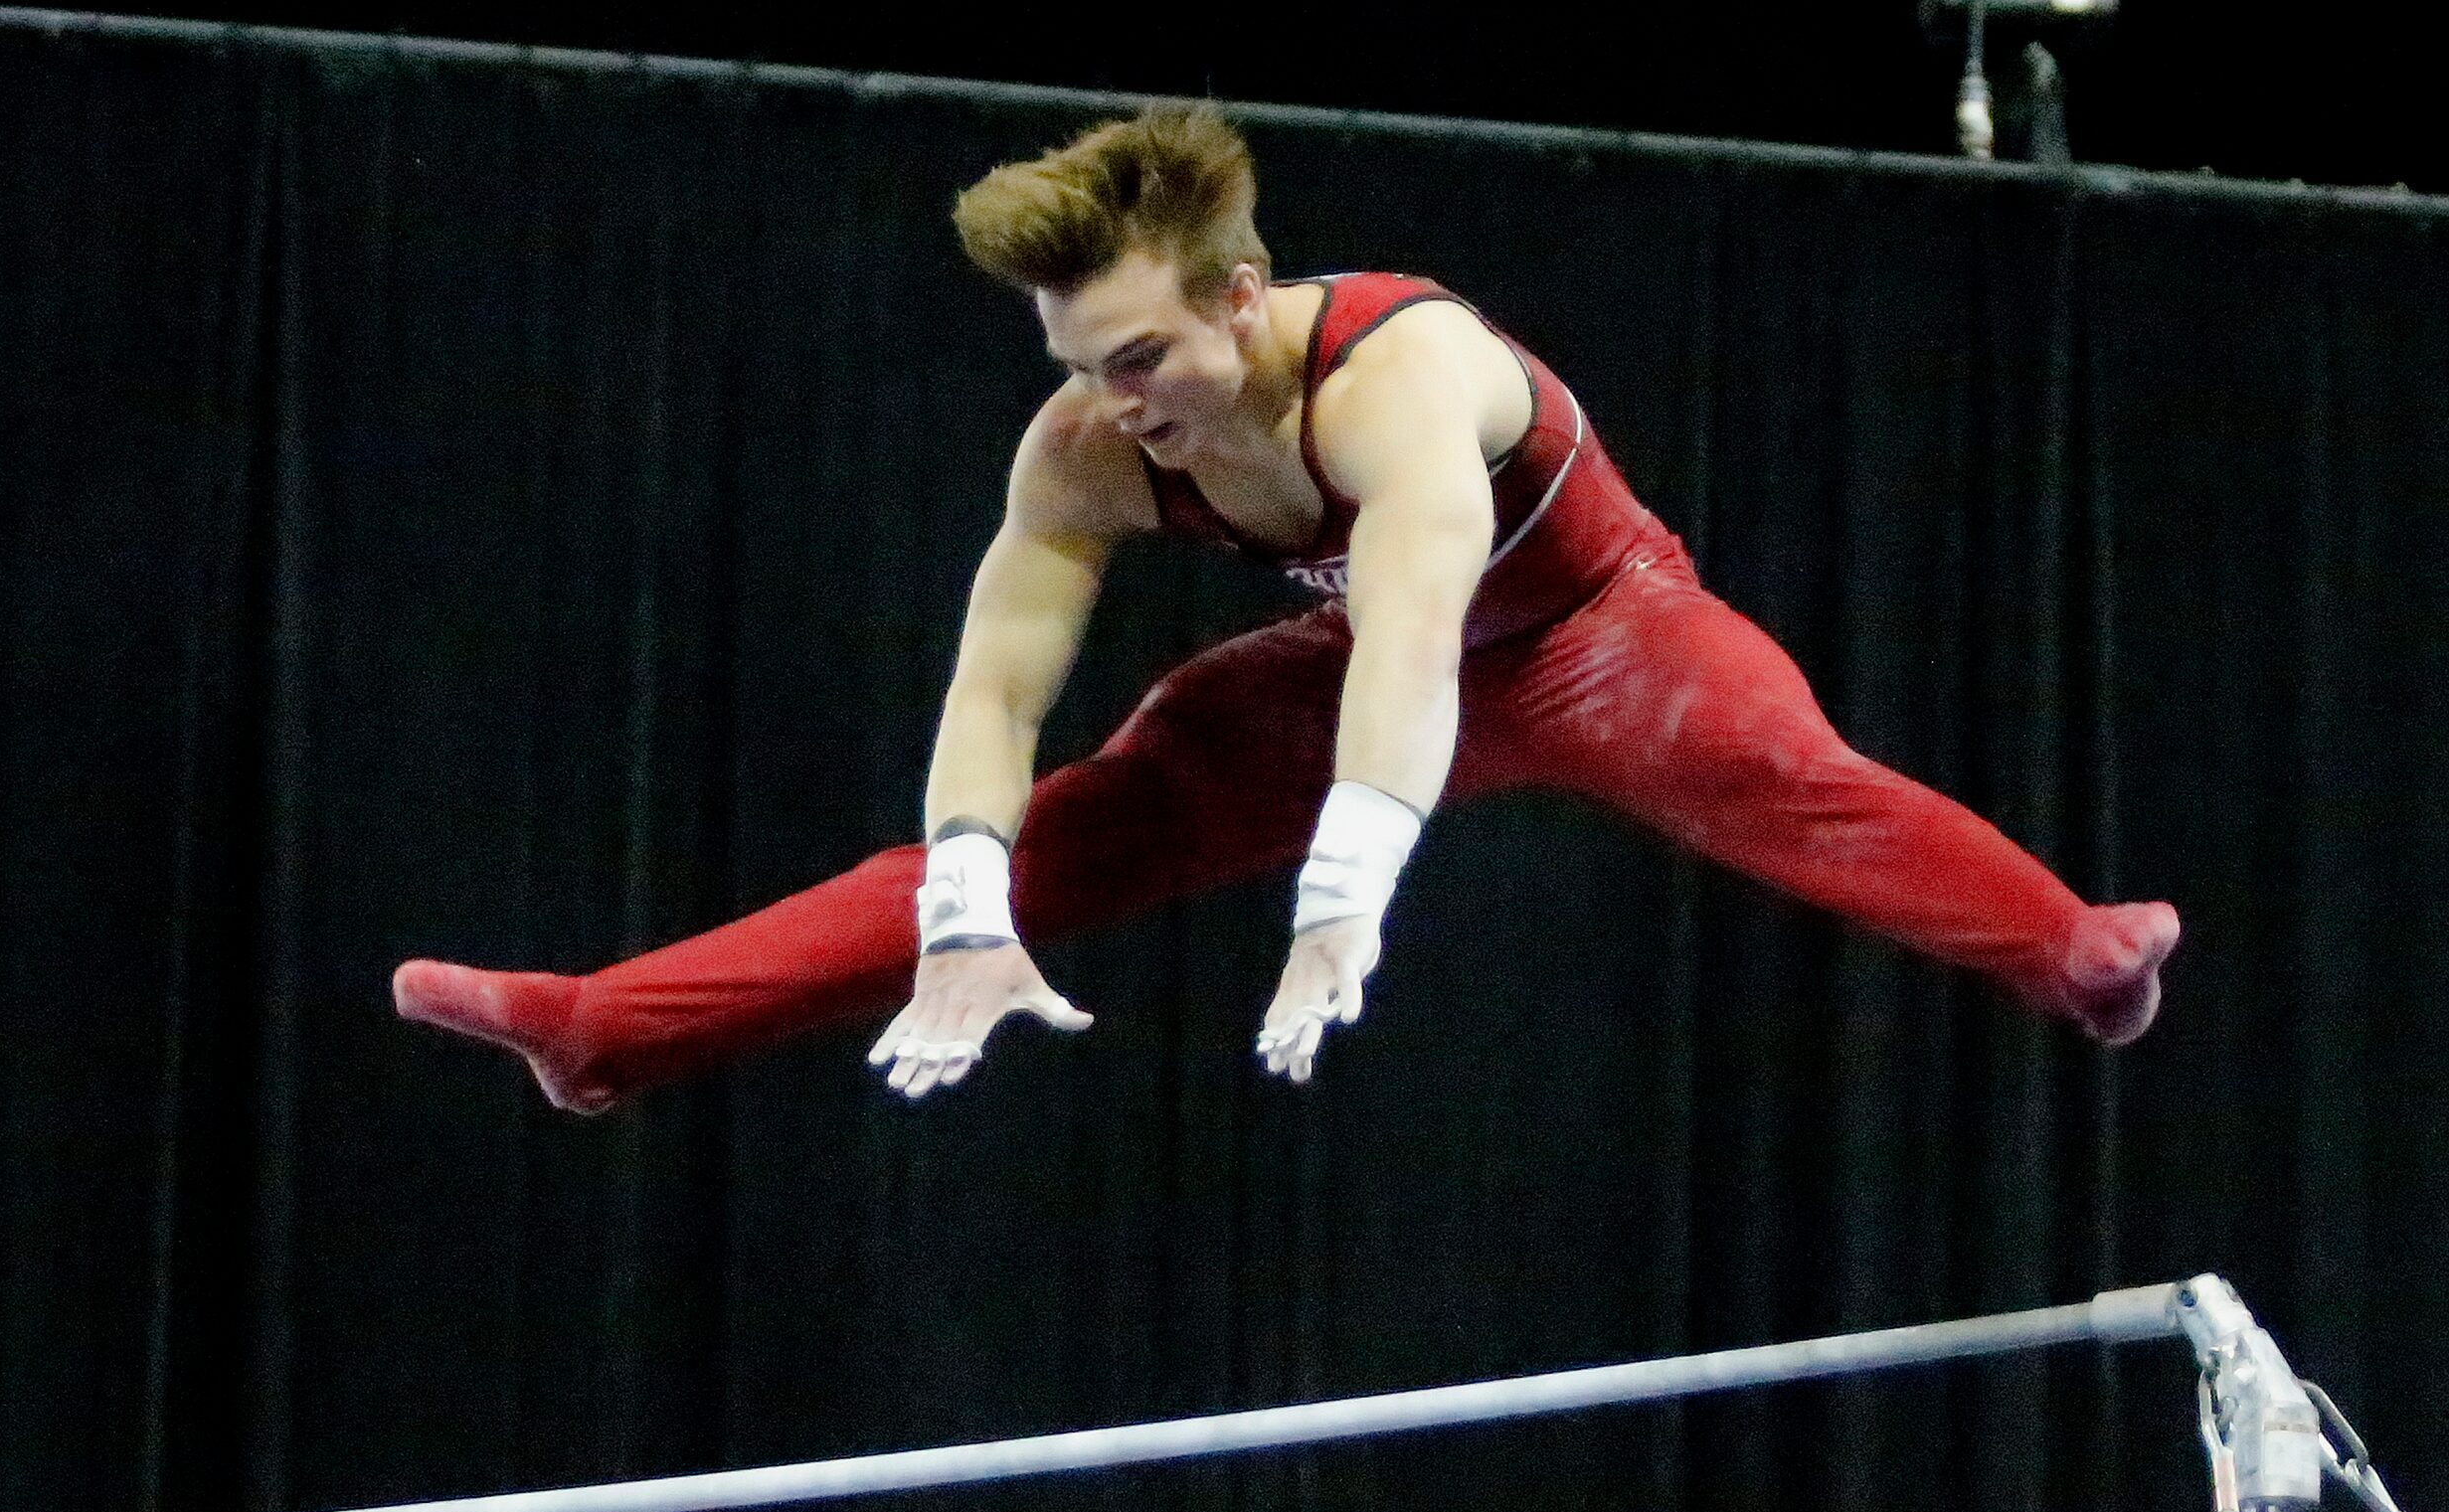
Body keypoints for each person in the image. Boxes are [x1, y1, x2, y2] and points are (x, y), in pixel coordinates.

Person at [392, 105, 2177, 1109]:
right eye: (1081, 362)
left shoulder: (1396, 374)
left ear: (1244, 299)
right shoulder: (1084, 446)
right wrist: (958, 901)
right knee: (1074, 820)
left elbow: (1415, 639)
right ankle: (612, 1023)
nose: (1119, 398)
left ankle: (2074, 955)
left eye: (1146, 352)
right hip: (1357, 671)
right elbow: (992, 700)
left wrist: (1343, 904)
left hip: (1582, 632)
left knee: (1775, 767)